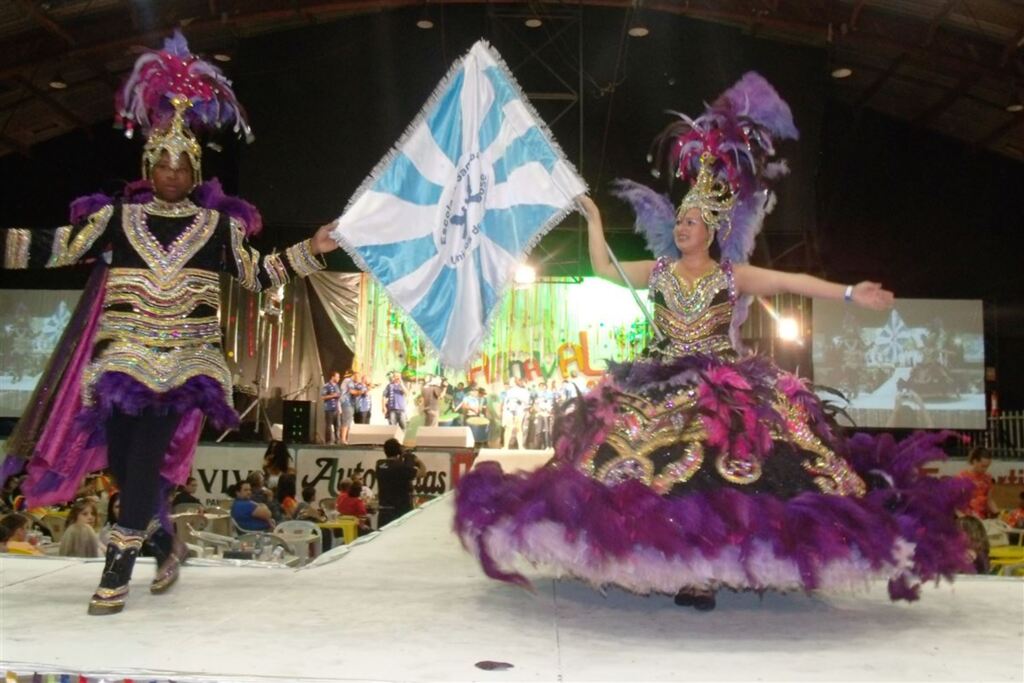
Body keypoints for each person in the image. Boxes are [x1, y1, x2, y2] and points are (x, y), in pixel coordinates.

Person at [454, 73, 972, 611]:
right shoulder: (656, 272)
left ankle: (716, 568)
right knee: (640, 468)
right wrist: (594, 218)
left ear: (712, 230)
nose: (682, 227)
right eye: (679, 220)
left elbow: (792, 283)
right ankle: (665, 564)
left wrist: (848, 292)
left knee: (730, 470)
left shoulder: (732, 275)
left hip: (724, 386)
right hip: (656, 384)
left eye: (693, 221)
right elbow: (603, 267)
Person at [0, 32, 339, 614]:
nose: (173, 173)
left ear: (196, 168)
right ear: (149, 165)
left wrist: (315, 246)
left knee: (141, 461)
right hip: (124, 359)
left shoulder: (217, 229)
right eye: (163, 162)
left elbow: (260, 275)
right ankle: (165, 543)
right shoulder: (118, 219)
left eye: (184, 164)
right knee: (130, 466)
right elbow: (51, 246)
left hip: (185, 362)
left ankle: (117, 571)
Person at [375, 438, 425, 527]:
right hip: (399, 511)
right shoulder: (402, 467)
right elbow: (422, 473)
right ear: (398, 450)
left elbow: (391, 466)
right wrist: (417, 460)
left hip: (384, 511)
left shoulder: (379, 465)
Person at [958, 446, 999, 519]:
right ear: (974, 461)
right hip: (967, 519)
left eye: (987, 466)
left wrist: (998, 514)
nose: (985, 469)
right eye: (983, 466)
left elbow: (989, 500)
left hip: (983, 519)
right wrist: (963, 518)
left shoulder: (988, 478)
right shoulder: (962, 477)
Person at [501, 378, 530, 449]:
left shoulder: (523, 391)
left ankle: (520, 446)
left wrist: (518, 399)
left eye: (511, 381)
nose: (510, 383)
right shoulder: (509, 391)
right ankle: (506, 446)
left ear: (514, 382)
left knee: (518, 428)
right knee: (508, 428)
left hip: (519, 410)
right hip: (509, 411)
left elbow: (526, 401)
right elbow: (506, 403)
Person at [321, 372, 342, 444]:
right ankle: (328, 441)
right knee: (329, 426)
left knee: (337, 425)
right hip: (329, 408)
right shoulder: (326, 386)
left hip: (336, 409)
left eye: (339, 377)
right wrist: (332, 396)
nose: (338, 378)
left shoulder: (337, 386)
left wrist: (339, 408)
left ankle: (337, 440)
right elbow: (323, 397)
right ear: (333, 377)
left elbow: (338, 397)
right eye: (337, 377)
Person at [339, 370, 356, 445]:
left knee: (348, 421)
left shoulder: (345, 381)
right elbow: (352, 391)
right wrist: (360, 392)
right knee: (346, 421)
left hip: (347, 403)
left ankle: (345, 439)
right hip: (347, 403)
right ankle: (343, 439)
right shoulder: (349, 381)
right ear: (352, 375)